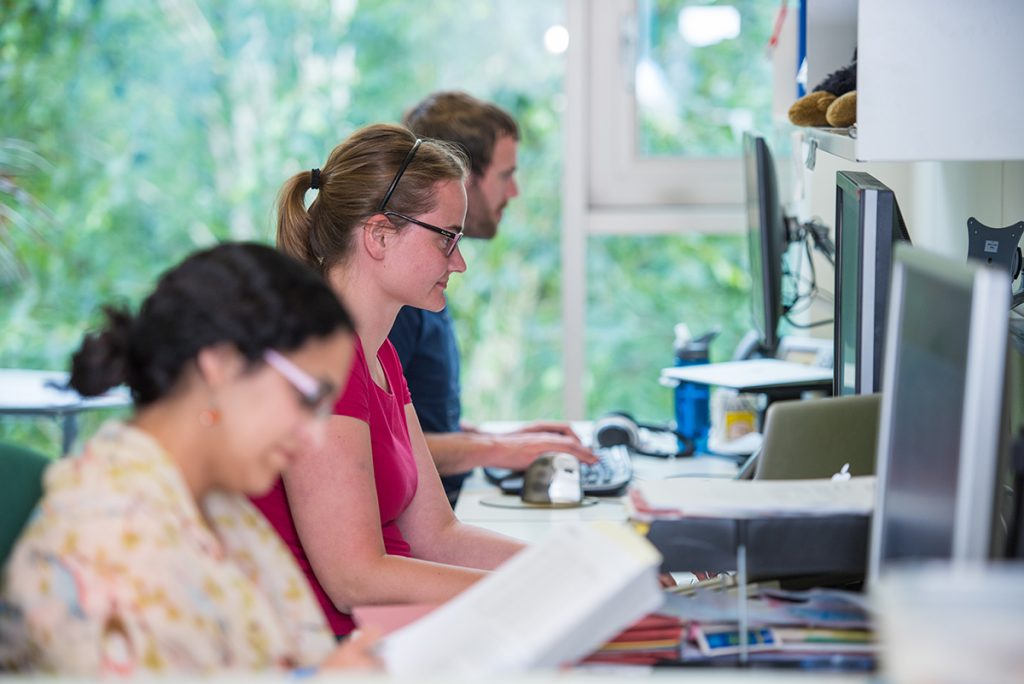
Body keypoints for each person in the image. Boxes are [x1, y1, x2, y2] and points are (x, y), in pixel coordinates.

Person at [0, 243, 378, 676]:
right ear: (219, 361)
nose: (315, 437)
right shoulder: (111, 543)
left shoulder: (212, 504)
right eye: (308, 398)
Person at [253, 123, 525, 638]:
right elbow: (354, 579)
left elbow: (437, 536)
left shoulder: (380, 355)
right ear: (379, 235)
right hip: (317, 653)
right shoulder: (318, 354)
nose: (460, 261)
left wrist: (562, 569)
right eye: (447, 238)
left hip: (371, 636)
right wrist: (530, 590)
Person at [390, 91, 596, 504]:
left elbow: (411, 424)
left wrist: (504, 438)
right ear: (462, 179)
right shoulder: (398, 298)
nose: (515, 191)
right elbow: (379, 446)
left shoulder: (425, 285)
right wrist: (499, 450)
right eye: (506, 175)